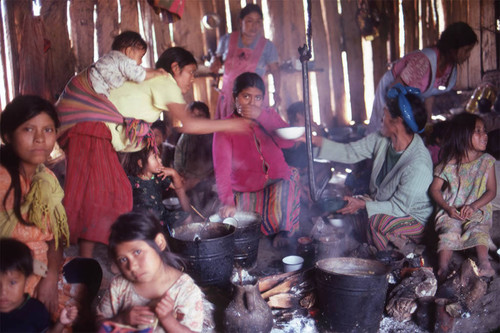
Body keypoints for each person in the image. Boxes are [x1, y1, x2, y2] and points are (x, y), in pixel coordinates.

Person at [57, 46, 248, 258]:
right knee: (105, 197)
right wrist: (230, 125)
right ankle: (96, 261)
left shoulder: (151, 82)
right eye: (191, 73)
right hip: (90, 128)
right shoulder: (165, 82)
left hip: (88, 129)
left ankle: (105, 258)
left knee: (103, 196)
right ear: (175, 68)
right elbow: (188, 125)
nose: (192, 79)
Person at [0, 95, 102, 325]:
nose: (39, 139)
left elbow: (54, 240)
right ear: (7, 135)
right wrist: (32, 275)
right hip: (9, 275)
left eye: (47, 130)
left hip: (42, 267)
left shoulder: (46, 178)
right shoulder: (3, 180)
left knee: (90, 269)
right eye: (28, 129)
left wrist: (50, 276)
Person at [311, 84, 433, 250]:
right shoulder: (382, 139)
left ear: (398, 121)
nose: (380, 120)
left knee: (375, 220)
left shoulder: (418, 164)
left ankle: (387, 257)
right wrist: (316, 142)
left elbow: (399, 207)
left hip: (412, 217)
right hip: (385, 203)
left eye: (384, 116)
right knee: (348, 213)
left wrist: (363, 205)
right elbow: (350, 152)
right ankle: (390, 241)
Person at [213, 72, 300, 247]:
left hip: (277, 180)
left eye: (258, 98)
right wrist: (228, 202)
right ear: (235, 97)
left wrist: (262, 116)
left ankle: (285, 232)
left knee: (293, 175)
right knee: (243, 224)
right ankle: (262, 232)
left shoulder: (269, 116)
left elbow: (288, 143)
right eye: (246, 97)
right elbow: (221, 169)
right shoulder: (225, 127)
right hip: (246, 188)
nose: (252, 103)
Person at [96, 212, 207, 332]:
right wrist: (122, 319)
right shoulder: (119, 286)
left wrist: (167, 319)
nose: (132, 266)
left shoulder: (184, 290)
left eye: (137, 252)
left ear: (159, 243)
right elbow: (98, 324)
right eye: (123, 259)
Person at [366, 22, 478, 134]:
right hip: (391, 92)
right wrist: (400, 122)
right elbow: (394, 91)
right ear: (453, 48)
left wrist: (428, 121)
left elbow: (429, 93)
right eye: (466, 50)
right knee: (381, 133)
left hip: (406, 99)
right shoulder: (423, 61)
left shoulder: (449, 68)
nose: (468, 55)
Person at [429, 112, 497, 279]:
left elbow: (491, 191)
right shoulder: (449, 163)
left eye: (484, 130)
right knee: (449, 230)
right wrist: (447, 207)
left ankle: (485, 263)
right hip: (452, 210)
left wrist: (474, 206)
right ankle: (443, 268)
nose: (485, 135)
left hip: (477, 208)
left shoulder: (487, 161)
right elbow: (434, 189)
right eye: (478, 131)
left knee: (478, 228)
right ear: (463, 135)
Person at [210, 3, 281, 119]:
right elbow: (216, 61)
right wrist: (215, 62)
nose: (254, 26)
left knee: (255, 131)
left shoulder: (268, 46)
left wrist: (277, 93)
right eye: (249, 21)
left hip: (254, 100)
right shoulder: (227, 40)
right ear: (240, 21)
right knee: (228, 130)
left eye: (258, 22)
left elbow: (276, 71)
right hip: (230, 97)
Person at [0, 238, 78, 333]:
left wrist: (61, 323)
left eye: (12, 283)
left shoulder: (36, 311)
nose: (3, 292)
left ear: (27, 279)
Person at [122, 145, 190, 228]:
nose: (160, 160)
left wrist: (173, 173)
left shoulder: (159, 176)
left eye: (159, 156)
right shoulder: (131, 181)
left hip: (162, 216)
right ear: (140, 163)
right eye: (155, 157)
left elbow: (178, 187)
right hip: (144, 221)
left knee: (187, 217)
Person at [89, 30, 166, 98]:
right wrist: (157, 74)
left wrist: (152, 70)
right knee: (105, 111)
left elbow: (139, 69)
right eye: (140, 57)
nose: (141, 61)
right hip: (94, 85)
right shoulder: (123, 60)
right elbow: (139, 75)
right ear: (129, 51)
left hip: (92, 82)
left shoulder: (115, 58)